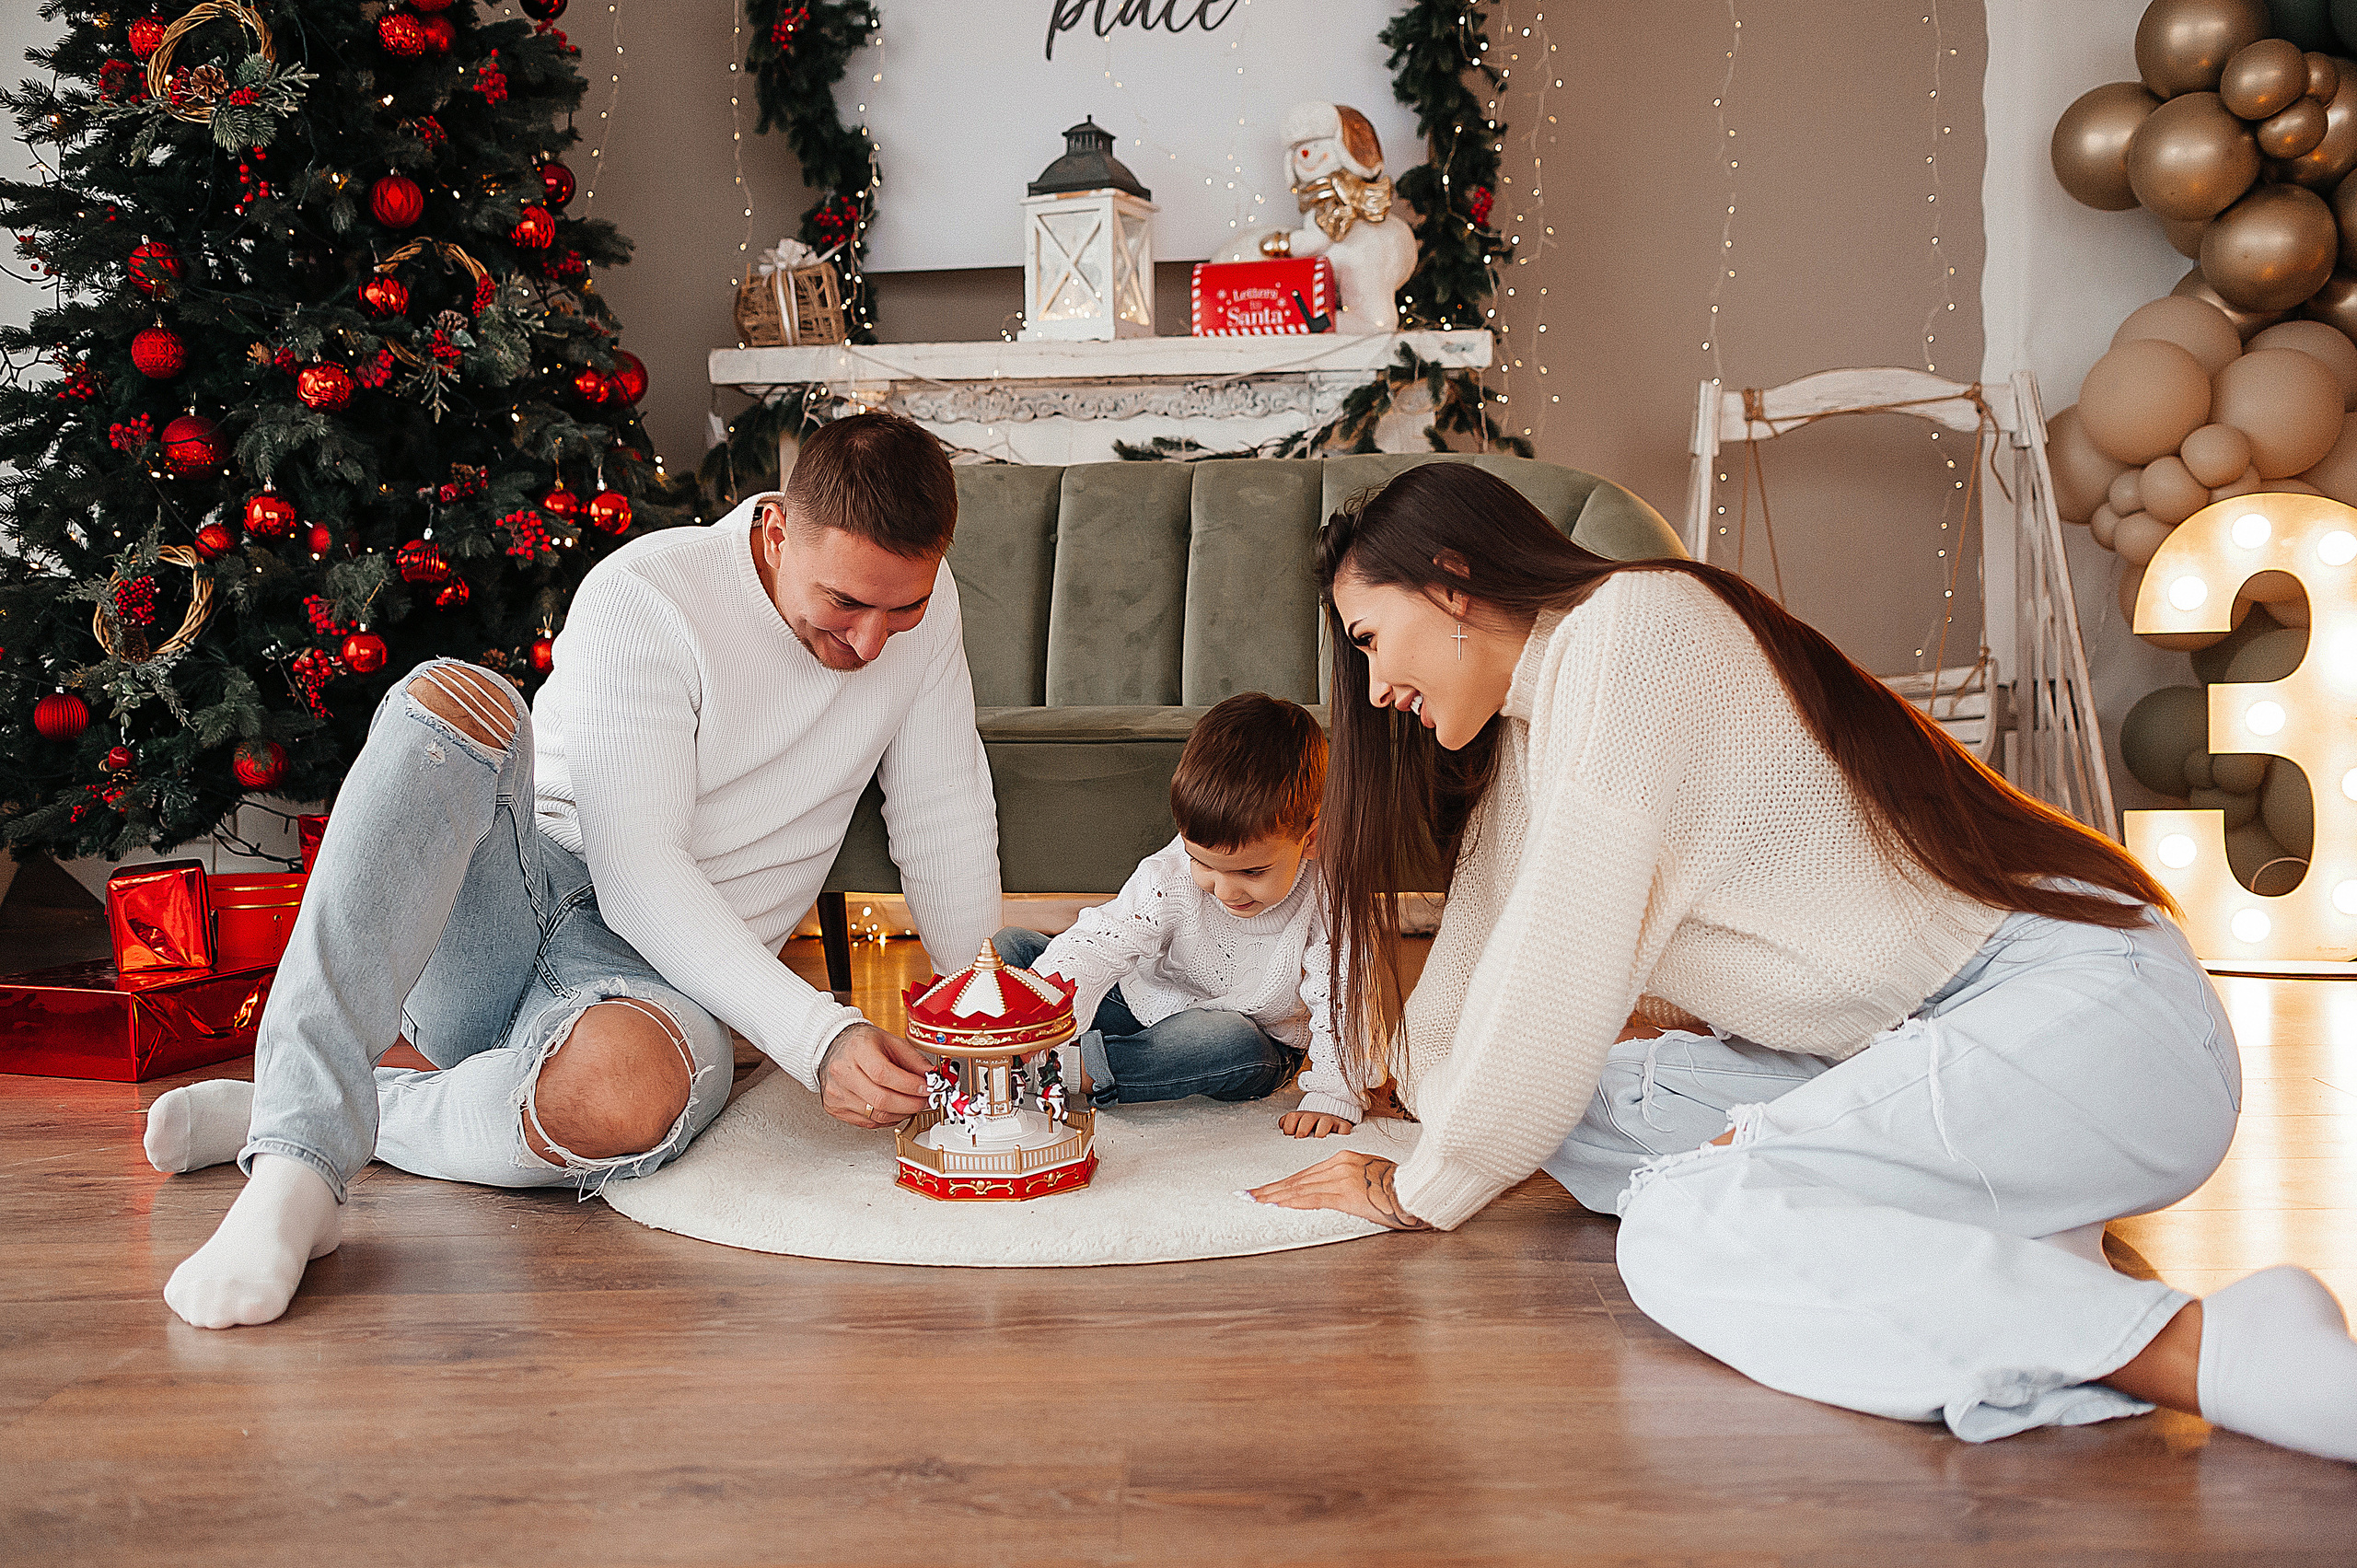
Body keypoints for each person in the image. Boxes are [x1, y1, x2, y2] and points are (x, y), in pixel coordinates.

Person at [1251, 461, 2357, 1463]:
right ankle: (2001, 1237)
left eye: (1364, 639)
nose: (1376, 687)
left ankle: (2201, 1346)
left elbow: (1551, 977)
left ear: (1448, 579)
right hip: (1930, 1039)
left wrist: (1424, 1188)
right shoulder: (1537, 733)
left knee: (1682, 1221)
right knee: (1593, 1104)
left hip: (2090, 1011)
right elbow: (1482, 977)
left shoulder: (1632, 631)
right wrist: (1401, 1094)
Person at [147, 412, 1001, 1329]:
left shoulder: (926, 606)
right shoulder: (650, 593)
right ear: (780, 529)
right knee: (454, 695)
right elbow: (637, 870)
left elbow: (941, 803)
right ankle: (294, 1158)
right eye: (844, 603)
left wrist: (987, 1006)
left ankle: (322, 1108)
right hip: (516, 902)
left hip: (658, 981)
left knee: (627, 1095)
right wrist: (818, 1036)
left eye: (900, 609)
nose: (873, 641)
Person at [994, 692, 1364, 1132]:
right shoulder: (1171, 872)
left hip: (1249, 1038)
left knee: (1226, 1042)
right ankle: (1013, 1046)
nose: (1224, 889)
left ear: (1312, 839)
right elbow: (1105, 939)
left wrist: (1334, 1091)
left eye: (1251, 870)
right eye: (1203, 863)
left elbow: (1343, 993)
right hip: (1145, 1001)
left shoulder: (1330, 896)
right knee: (1011, 947)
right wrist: (1044, 1009)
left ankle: (1077, 1071)